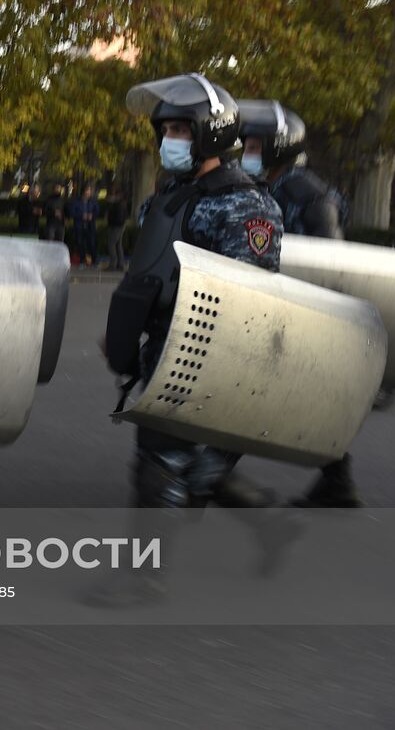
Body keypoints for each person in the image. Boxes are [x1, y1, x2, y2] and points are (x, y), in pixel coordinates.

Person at [105, 74, 284, 512]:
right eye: (167, 131)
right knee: (190, 470)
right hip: (163, 350)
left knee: (161, 467)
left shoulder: (244, 204)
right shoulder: (168, 197)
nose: (171, 140)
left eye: (181, 130)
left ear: (211, 133)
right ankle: (270, 521)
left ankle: (144, 580)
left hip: (204, 357)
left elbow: (250, 302)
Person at [240, 101, 360, 507]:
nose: (246, 151)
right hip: (282, 305)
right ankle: (337, 483)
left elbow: (325, 259)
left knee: (243, 392)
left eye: (254, 144)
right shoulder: (275, 186)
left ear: (277, 147)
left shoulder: (304, 193)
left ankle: (205, 479)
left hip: (294, 308)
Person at [71, 182, 100, 267]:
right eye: (87, 191)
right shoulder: (77, 201)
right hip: (79, 225)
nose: (88, 193)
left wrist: (92, 216)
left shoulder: (92, 202)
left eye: (90, 191)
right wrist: (81, 216)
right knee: (80, 243)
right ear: (83, 191)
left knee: (92, 243)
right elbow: (72, 212)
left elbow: (97, 211)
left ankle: (94, 260)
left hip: (90, 226)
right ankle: (82, 260)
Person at [105, 185, 128, 270]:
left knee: (112, 244)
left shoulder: (118, 203)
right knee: (118, 245)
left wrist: (111, 221)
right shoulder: (121, 202)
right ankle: (120, 264)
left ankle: (113, 264)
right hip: (119, 225)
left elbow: (118, 216)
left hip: (116, 226)